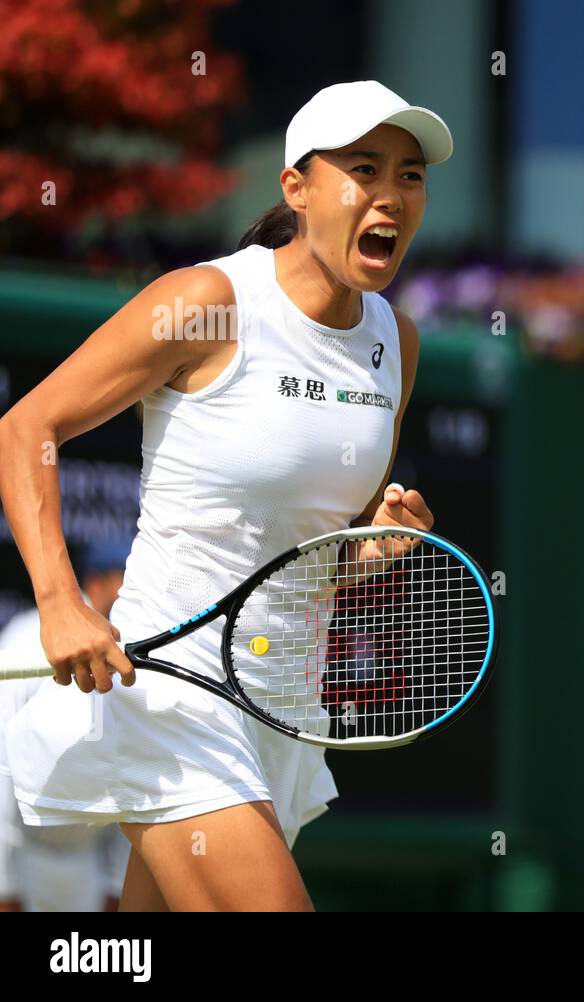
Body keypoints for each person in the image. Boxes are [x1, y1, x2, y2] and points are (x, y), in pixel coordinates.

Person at [0, 80, 450, 911]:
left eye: (411, 175)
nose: (390, 194)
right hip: (172, 691)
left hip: (281, 708)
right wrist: (61, 601)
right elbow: (28, 427)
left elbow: (324, 553)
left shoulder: (396, 342)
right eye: (363, 168)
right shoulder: (208, 303)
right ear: (296, 186)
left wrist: (375, 546)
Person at [0, 539, 134, 911]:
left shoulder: (132, 646)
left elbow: (133, 775)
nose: (134, 590)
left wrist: (115, 882)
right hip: (21, 860)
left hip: (90, 868)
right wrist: (4, 886)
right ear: (95, 584)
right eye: (126, 579)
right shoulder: (27, 635)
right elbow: (1, 768)